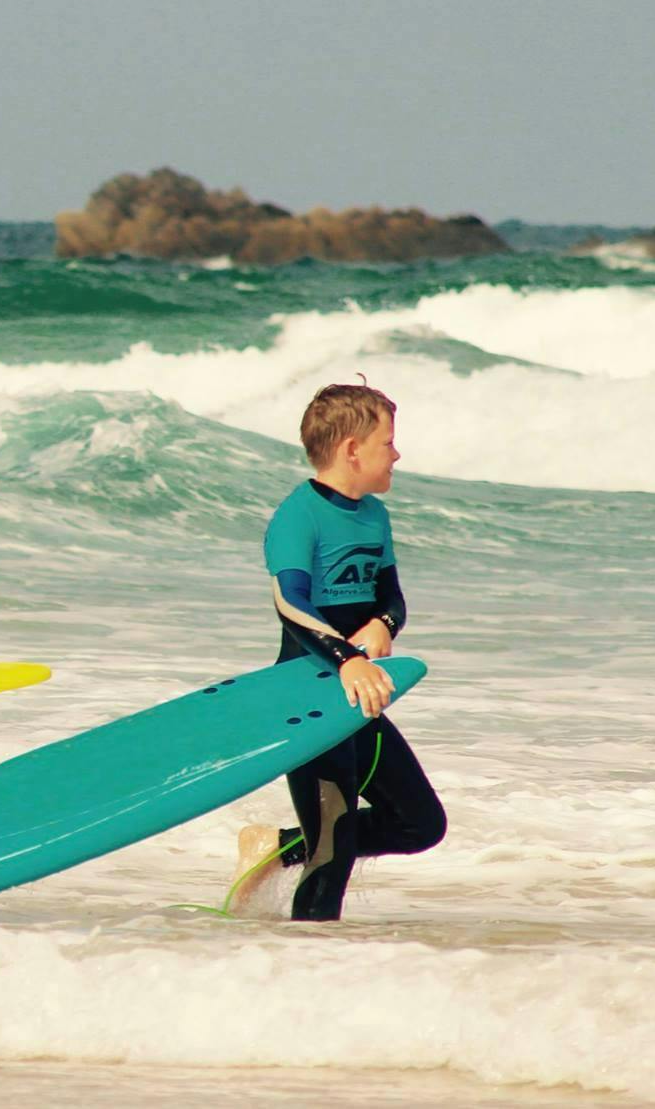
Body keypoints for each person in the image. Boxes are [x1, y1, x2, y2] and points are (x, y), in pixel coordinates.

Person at [230, 382, 446, 920]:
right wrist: (345, 657)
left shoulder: (374, 516)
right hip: (309, 700)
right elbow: (291, 603)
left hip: (359, 702)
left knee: (420, 824)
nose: (396, 454)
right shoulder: (297, 516)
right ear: (353, 449)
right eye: (388, 443)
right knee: (333, 849)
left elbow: (392, 594)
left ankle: (278, 844)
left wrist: (384, 621)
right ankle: (307, 968)